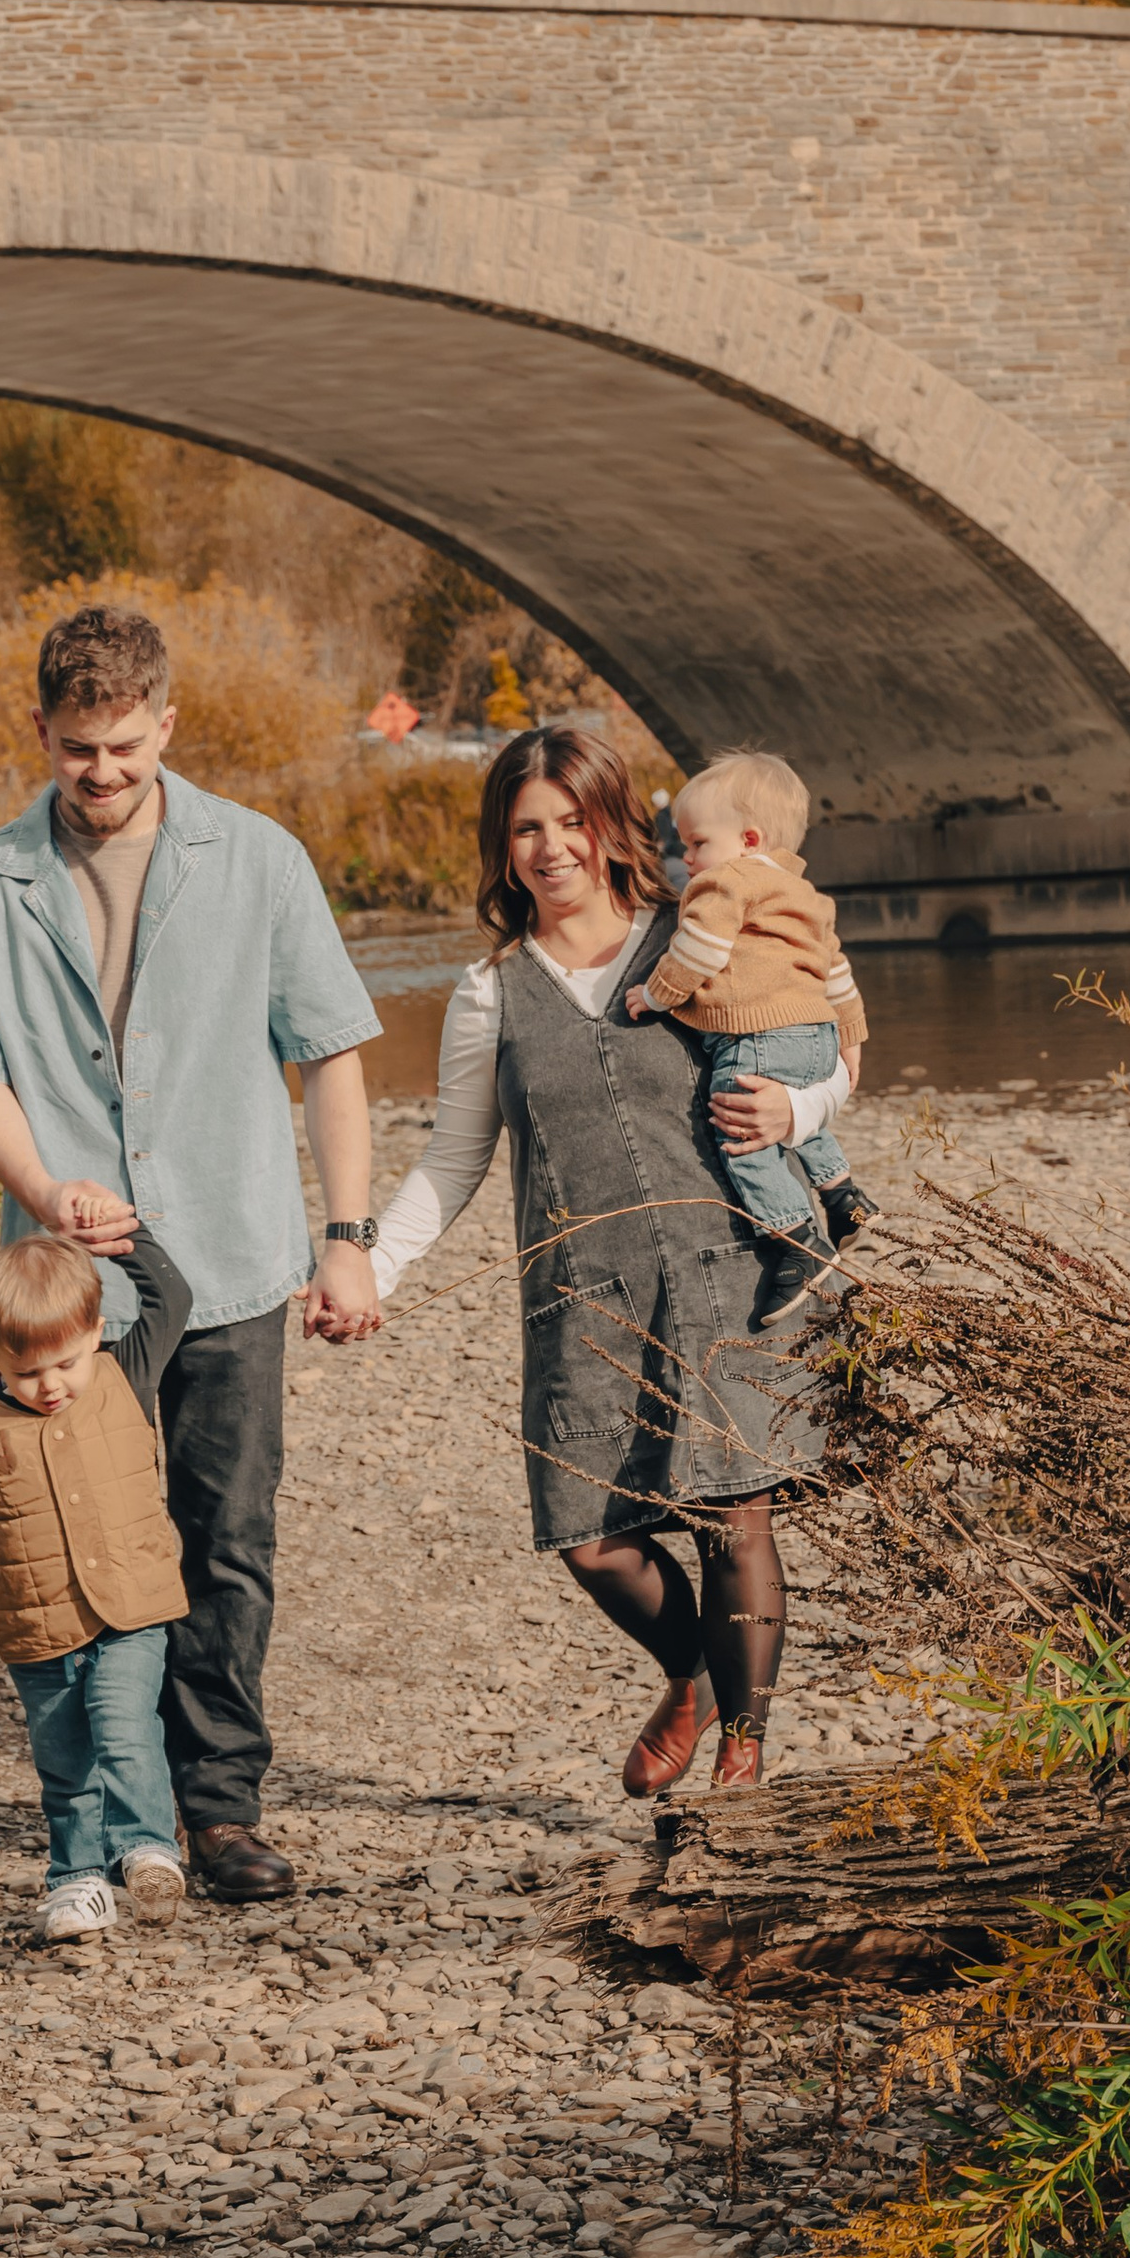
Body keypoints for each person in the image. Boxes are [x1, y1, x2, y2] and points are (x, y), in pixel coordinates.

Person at [0, 600, 384, 1904]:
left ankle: (221, 1807)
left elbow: (334, 1050)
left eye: (126, 747)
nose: (105, 774)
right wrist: (42, 1189)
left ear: (167, 724)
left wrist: (346, 1239)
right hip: (70, 1297)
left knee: (227, 1535)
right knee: (88, 1540)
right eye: (79, 751)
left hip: (233, 1252)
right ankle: (121, 1810)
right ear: (41, 732)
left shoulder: (260, 859)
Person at [367, 720, 856, 1795]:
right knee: (592, 1538)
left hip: (732, 1271)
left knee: (737, 1514)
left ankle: (744, 1756)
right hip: (583, 1296)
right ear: (502, 849)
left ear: (610, 827)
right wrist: (367, 1259)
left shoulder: (707, 929)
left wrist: (795, 1104)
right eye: (525, 829)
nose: (551, 849)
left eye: (571, 823)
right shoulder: (489, 991)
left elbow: (825, 1047)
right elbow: (452, 1160)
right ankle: (686, 1671)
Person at [0, 1227, 193, 1943]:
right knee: (64, 1763)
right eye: (27, 1372)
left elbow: (172, 1297)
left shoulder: (126, 1374)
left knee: (124, 1731)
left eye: (66, 1361)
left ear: (95, 1331)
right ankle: (79, 1881)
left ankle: (148, 1847)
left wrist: (125, 1238)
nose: (51, 1384)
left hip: (130, 1609)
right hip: (37, 1630)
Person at [627, 748, 873, 1328]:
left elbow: (700, 949)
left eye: (696, 844)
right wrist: (851, 1036)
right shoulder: (804, 894)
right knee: (794, 1118)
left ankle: (798, 1240)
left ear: (748, 839)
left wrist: (655, 994)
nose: (686, 858)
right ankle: (844, 1199)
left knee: (741, 1133)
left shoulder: (728, 881)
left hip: (757, 1030)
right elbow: (834, 968)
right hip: (815, 1031)